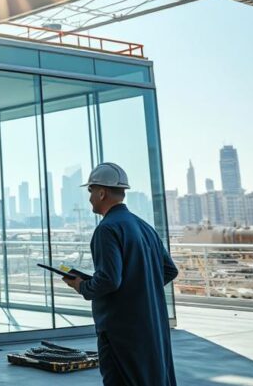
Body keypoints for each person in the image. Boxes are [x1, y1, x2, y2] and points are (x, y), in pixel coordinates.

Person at [60, 162, 179, 386]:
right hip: (151, 323)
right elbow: (170, 270)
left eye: (91, 191)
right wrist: (139, 289)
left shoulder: (107, 229)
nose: (89, 198)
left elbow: (109, 280)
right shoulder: (144, 227)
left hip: (120, 329)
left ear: (102, 192)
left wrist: (81, 285)